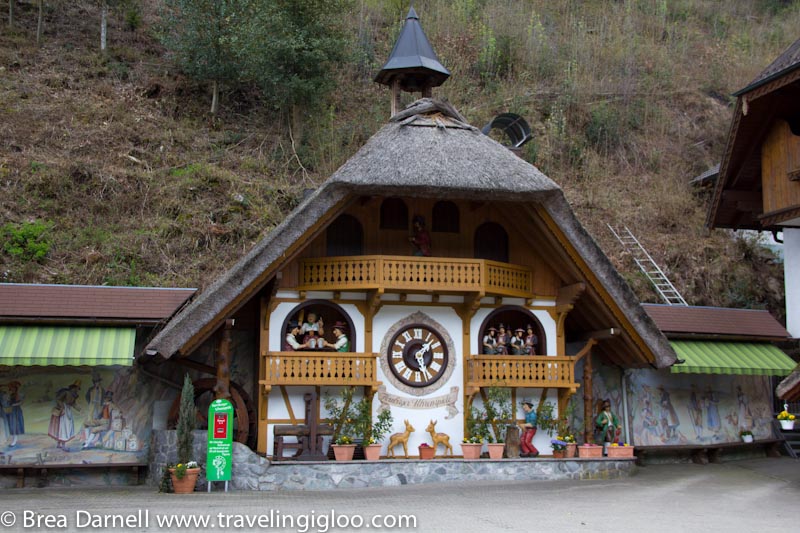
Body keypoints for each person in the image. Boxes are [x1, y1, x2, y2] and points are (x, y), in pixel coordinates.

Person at [48, 380, 81, 450]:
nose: (77, 390)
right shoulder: (66, 392)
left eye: (78, 388)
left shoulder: (73, 395)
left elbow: (73, 403)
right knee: (63, 427)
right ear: (73, 387)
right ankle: (61, 444)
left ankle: (61, 444)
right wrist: (62, 407)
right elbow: (58, 399)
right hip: (63, 411)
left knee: (67, 427)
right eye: (77, 388)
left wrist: (79, 409)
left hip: (68, 411)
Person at [6, 381, 24, 447]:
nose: (12, 389)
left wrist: (14, 404)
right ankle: (13, 440)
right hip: (11, 411)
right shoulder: (11, 395)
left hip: (16, 411)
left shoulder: (18, 394)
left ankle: (14, 440)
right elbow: (8, 402)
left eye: (13, 388)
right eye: (11, 388)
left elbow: (21, 402)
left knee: (15, 425)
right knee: (12, 425)